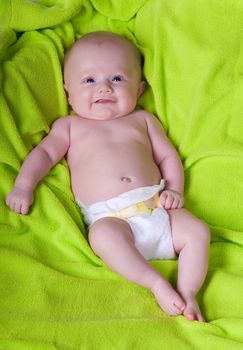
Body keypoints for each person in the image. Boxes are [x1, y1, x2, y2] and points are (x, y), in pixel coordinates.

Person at [6, 31, 209, 322]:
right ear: (67, 92)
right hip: (112, 220)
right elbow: (45, 155)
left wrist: (174, 190)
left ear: (139, 90)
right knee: (102, 237)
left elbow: (167, 157)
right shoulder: (70, 126)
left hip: (158, 208)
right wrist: (24, 185)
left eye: (117, 79)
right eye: (89, 80)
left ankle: (188, 292)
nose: (104, 88)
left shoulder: (144, 120)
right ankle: (156, 284)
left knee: (197, 231)